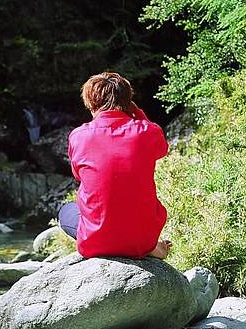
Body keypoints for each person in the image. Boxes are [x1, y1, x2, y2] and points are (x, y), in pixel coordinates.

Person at [59, 72, 171, 260]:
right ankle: (148, 246)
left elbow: (79, 176)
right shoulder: (147, 131)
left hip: (95, 241)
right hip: (142, 238)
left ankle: (114, 241)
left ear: (90, 103)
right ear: (129, 102)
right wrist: (138, 114)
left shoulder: (78, 136)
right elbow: (162, 148)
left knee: (65, 211)